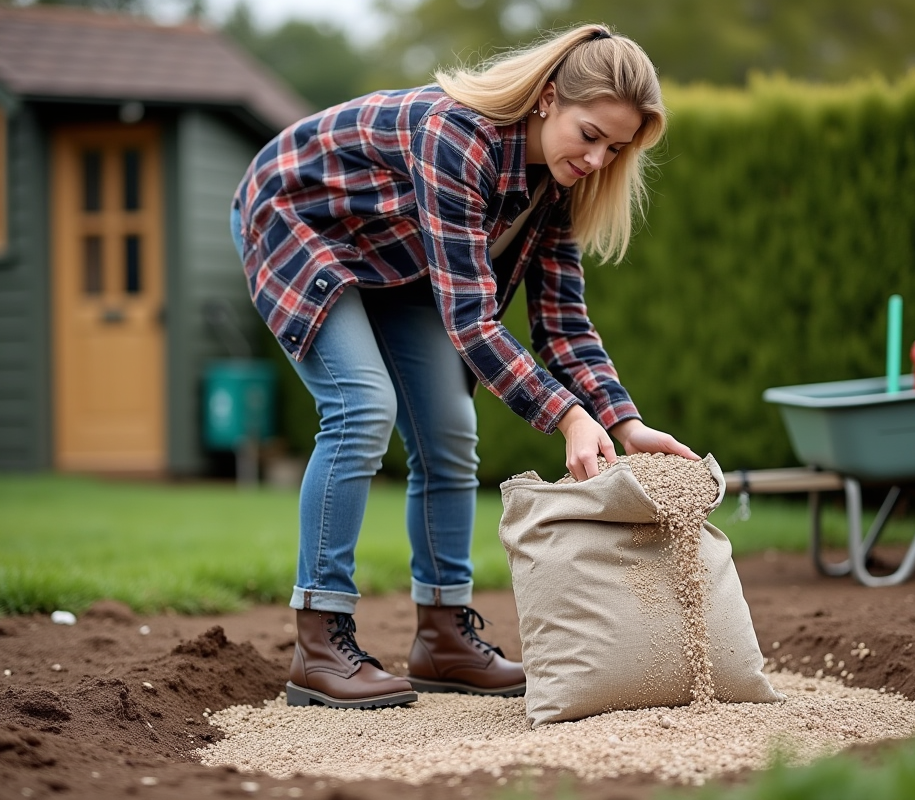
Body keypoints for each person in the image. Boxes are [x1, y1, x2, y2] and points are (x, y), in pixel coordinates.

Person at [230, 23, 699, 710]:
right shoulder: (459, 136)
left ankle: (445, 637)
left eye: (616, 148)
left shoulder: (554, 187)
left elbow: (562, 324)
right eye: (591, 134)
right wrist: (567, 416)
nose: (599, 159)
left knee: (450, 429)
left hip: (395, 255)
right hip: (299, 218)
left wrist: (624, 424)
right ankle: (319, 642)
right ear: (546, 99)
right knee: (362, 406)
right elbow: (472, 321)